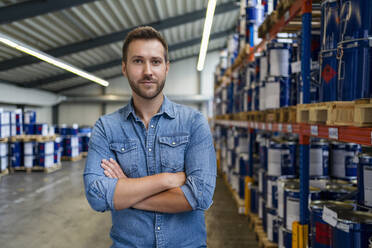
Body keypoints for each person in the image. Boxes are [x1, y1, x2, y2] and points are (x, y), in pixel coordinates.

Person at [84, 26, 217, 248]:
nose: (148, 71)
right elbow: (97, 196)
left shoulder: (193, 123)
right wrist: (167, 180)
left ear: (166, 67)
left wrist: (126, 190)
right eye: (138, 61)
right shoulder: (106, 128)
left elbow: (200, 196)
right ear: (124, 68)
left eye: (155, 61)